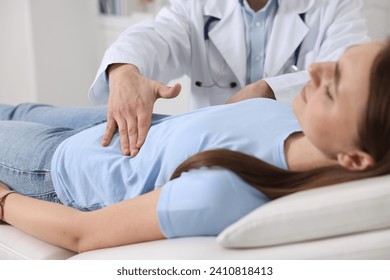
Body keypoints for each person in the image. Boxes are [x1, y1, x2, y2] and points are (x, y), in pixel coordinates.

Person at [1, 41, 389, 253]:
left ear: (353, 158)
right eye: (337, 63)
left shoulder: (228, 190)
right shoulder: (302, 123)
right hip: (111, 126)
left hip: (57, 169)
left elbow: (81, 234)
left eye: (333, 86)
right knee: (11, 107)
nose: (317, 69)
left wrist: (4, 203)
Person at [89, 0, 369, 157]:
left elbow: (351, 75)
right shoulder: (198, 5)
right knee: (51, 120)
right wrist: (124, 68)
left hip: (282, 151)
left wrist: (270, 91)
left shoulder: (335, 6)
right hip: (202, 146)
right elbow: (157, 35)